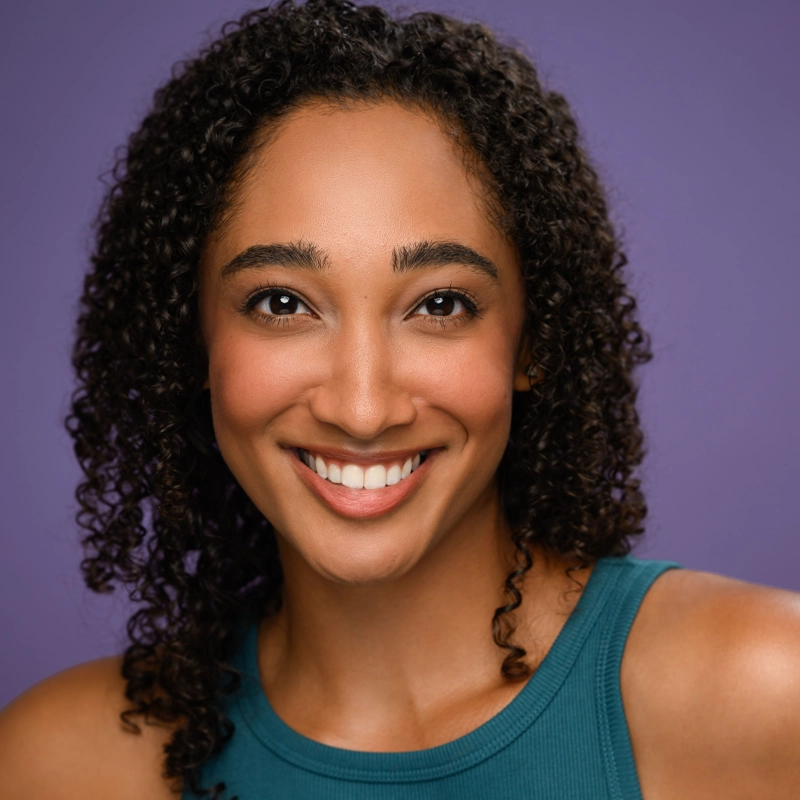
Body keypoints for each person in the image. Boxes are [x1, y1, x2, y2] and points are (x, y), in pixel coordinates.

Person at [1, 0, 799, 797]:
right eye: (282, 304)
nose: (362, 407)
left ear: (534, 342)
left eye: (439, 305)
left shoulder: (764, 692)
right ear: (193, 340)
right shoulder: (63, 765)